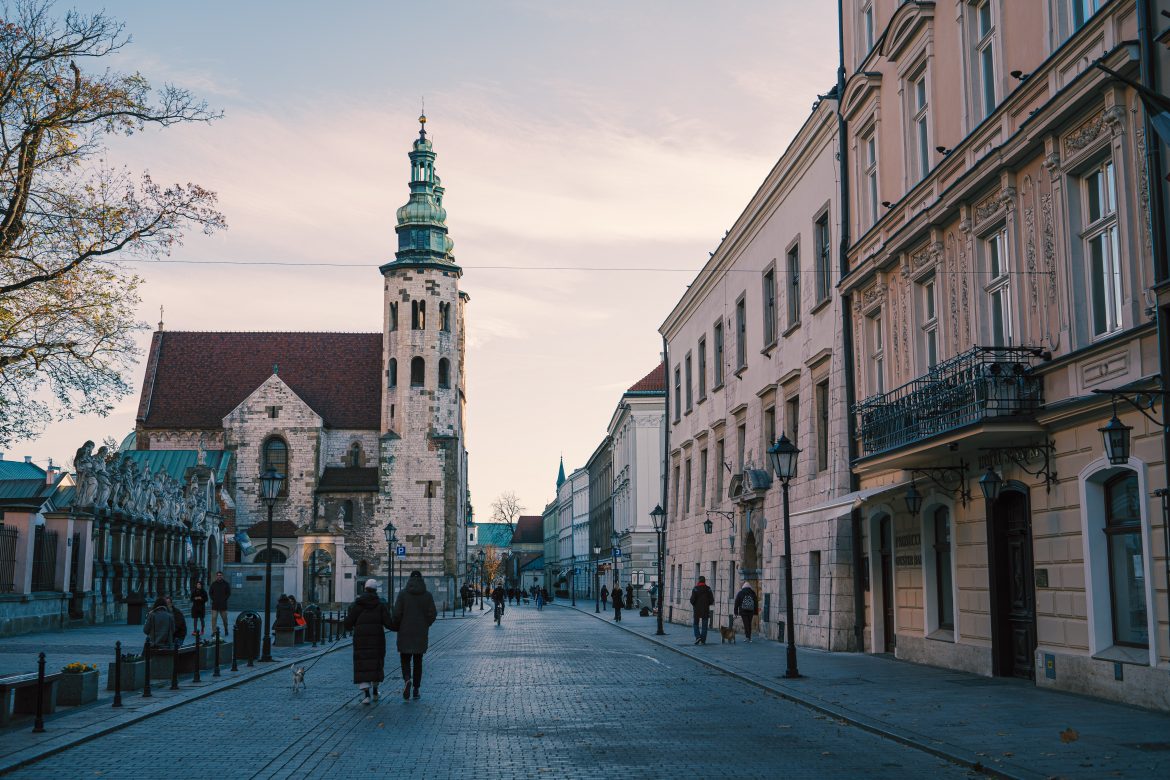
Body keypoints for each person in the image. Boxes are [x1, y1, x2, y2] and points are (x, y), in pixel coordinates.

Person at [344, 579, 395, 705]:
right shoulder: (380, 604)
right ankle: (376, 692)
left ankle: (366, 695)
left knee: (362, 666)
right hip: (377, 639)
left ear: (365, 589)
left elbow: (348, 623)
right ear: (375, 590)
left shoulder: (357, 604)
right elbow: (389, 623)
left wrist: (348, 625)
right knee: (376, 664)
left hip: (361, 640)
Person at [392, 571, 437, 701]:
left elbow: (396, 613)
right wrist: (425, 624)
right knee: (418, 662)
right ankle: (416, 689)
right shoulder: (427, 596)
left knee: (405, 659)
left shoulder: (402, 594)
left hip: (405, 632)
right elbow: (432, 614)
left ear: (410, 579)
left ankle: (407, 679)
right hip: (420, 633)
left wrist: (398, 625)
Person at [690, 575, 715, 645]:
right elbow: (712, 600)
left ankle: (698, 637)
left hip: (697, 610)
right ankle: (703, 640)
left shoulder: (695, 589)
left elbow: (692, 600)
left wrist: (695, 604)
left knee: (695, 624)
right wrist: (707, 604)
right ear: (704, 581)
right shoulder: (708, 589)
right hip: (705, 609)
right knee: (704, 625)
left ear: (699, 581)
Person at [209, 571, 231, 636]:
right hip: (215, 605)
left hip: (223, 605)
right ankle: (214, 631)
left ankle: (226, 629)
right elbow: (210, 593)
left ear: (222, 576)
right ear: (217, 576)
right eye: (218, 575)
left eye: (220, 575)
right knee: (213, 618)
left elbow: (228, 593)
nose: (219, 576)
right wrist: (213, 599)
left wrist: (224, 599)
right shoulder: (213, 584)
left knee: (225, 619)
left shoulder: (226, 584)